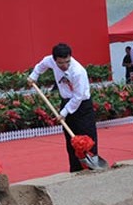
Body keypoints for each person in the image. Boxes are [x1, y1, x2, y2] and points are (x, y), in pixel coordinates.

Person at [28, 43, 95, 173]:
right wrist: (33, 76)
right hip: (66, 101)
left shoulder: (78, 71)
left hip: (82, 106)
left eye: (67, 62)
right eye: (60, 63)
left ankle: (91, 168)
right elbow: (41, 65)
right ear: (55, 60)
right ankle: (75, 170)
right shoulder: (50, 61)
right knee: (71, 141)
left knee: (86, 139)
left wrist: (64, 112)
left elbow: (78, 96)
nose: (64, 66)